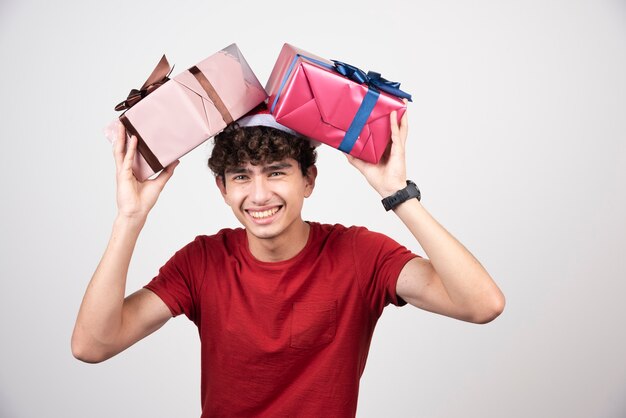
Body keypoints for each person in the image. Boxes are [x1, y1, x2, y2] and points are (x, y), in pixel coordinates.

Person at [72, 105, 505, 417]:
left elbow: (481, 304)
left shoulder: (359, 254)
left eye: (276, 171)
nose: (259, 195)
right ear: (223, 189)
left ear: (308, 180)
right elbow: (93, 345)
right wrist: (130, 218)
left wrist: (397, 192)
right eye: (242, 176)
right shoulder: (202, 262)